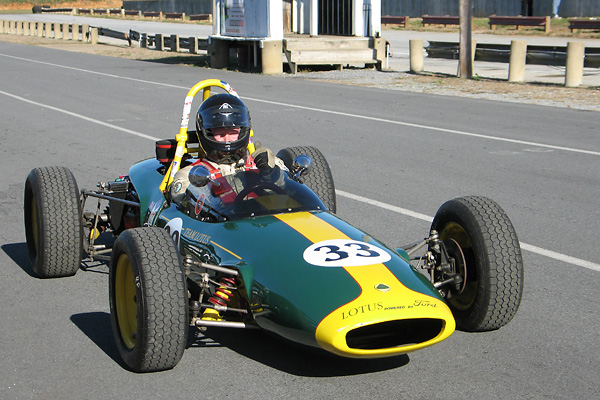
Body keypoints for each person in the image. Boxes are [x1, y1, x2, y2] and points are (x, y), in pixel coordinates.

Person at [170, 93, 285, 203]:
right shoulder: (193, 174)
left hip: (264, 220)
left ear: (242, 132)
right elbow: (183, 199)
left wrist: (269, 172)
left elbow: (291, 190)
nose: (228, 139)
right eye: (221, 134)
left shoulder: (261, 161)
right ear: (207, 134)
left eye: (233, 132)